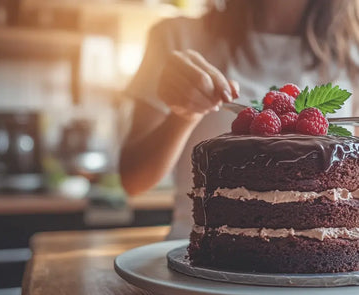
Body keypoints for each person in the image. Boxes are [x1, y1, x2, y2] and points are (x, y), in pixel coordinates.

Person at [120, 0, 359, 240]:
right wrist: (183, 115)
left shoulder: (353, 51)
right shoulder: (177, 36)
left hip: (323, 268)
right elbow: (133, 181)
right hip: (201, 258)